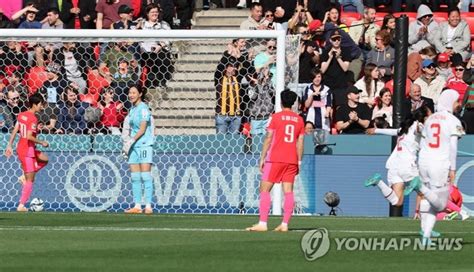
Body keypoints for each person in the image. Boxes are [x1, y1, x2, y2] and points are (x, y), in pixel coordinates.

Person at [404, 89, 465, 245]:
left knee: (427, 199)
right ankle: (427, 231)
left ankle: (426, 234)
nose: (458, 104)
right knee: (440, 203)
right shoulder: (453, 120)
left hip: (424, 160)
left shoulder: (430, 119)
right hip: (439, 162)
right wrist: (452, 168)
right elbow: (453, 146)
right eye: (457, 101)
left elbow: (423, 141)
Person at [245, 89, 304, 232]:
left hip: (275, 159)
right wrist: (299, 161)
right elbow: (300, 141)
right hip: (291, 159)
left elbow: (269, 137)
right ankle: (284, 224)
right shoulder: (299, 120)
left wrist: (262, 158)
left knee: (264, 189)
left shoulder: (275, 117)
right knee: (288, 191)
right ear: (294, 103)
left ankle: (263, 223)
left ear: (281, 102)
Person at [365, 106, 431, 211]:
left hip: (394, 166)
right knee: (424, 192)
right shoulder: (416, 126)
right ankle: (423, 222)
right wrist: (421, 126)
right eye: (429, 115)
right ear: (424, 117)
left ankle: (378, 182)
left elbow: (394, 132)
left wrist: (376, 130)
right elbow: (419, 129)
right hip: (407, 165)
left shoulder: (404, 128)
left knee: (397, 202)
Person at [4, 93, 49, 212]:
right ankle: (21, 205)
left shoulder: (22, 114)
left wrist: (9, 145)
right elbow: (29, 136)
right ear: (35, 105)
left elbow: (15, 130)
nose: (42, 107)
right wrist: (41, 142)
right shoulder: (33, 118)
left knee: (45, 159)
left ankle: (24, 176)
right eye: (40, 105)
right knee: (30, 180)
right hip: (27, 150)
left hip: (23, 147)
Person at [122, 85, 154, 214]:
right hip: (133, 146)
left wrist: (131, 140)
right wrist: (128, 143)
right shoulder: (132, 109)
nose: (131, 95)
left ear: (140, 94)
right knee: (135, 177)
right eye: (130, 92)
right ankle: (137, 205)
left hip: (144, 144)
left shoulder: (144, 109)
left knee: (145, 175)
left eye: (134, 92)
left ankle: (148, 206)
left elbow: (142, 129)